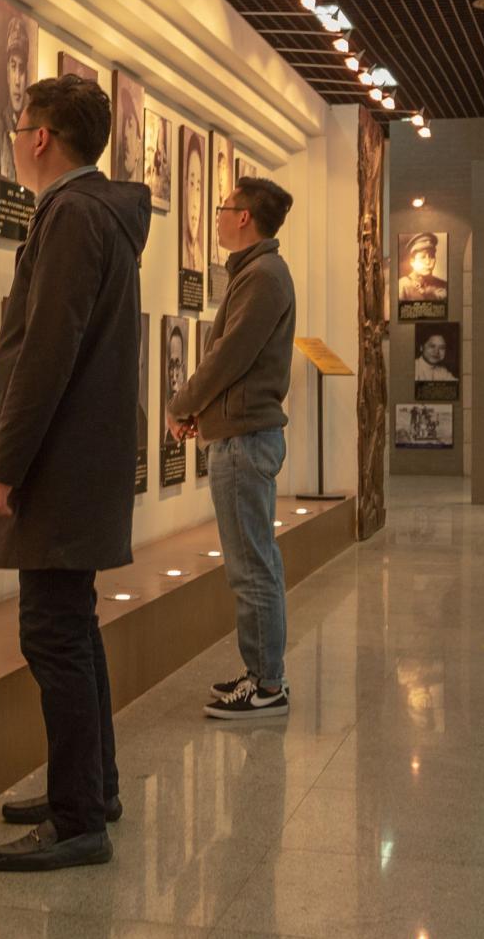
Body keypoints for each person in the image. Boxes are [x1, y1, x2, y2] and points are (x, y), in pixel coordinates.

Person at [0, 75, 150, 872]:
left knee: (52, 632)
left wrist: (4, 462)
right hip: (79, 463)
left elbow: (47, 351)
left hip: (60, 466)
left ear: (40, 137)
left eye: (19, 129)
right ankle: (90, 787)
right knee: (71, 625)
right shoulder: (90, 213)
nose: (16, 142)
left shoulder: (74, 215)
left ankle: (79, 816)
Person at [168, 175, 297, 719]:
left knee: (250, 566)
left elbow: (228, 356)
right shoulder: (257, 273)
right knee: (251, 562)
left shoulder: (263, 276)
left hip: (245, 440)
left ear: (244, 216)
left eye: (222, 208)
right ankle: (262, 674)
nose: (217, 217)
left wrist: (182, 404)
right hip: (238, 433)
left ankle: (267, 684)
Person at [0, 15, 31, 184]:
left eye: (22, 69)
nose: (17, 80)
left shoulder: (31, 139)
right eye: (13, 67)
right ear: (7, 73)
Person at [181, 133, 206, 273]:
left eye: (198, 187)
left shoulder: (201, 262)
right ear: (185, 188)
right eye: (191, 184)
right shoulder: (182, 254)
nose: (195, 204)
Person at [399, 233, 447, 303]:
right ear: (412, 261)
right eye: (423, 257)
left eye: (432, 256)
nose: (428, 262)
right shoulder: (403, 285)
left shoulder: (443, 285)